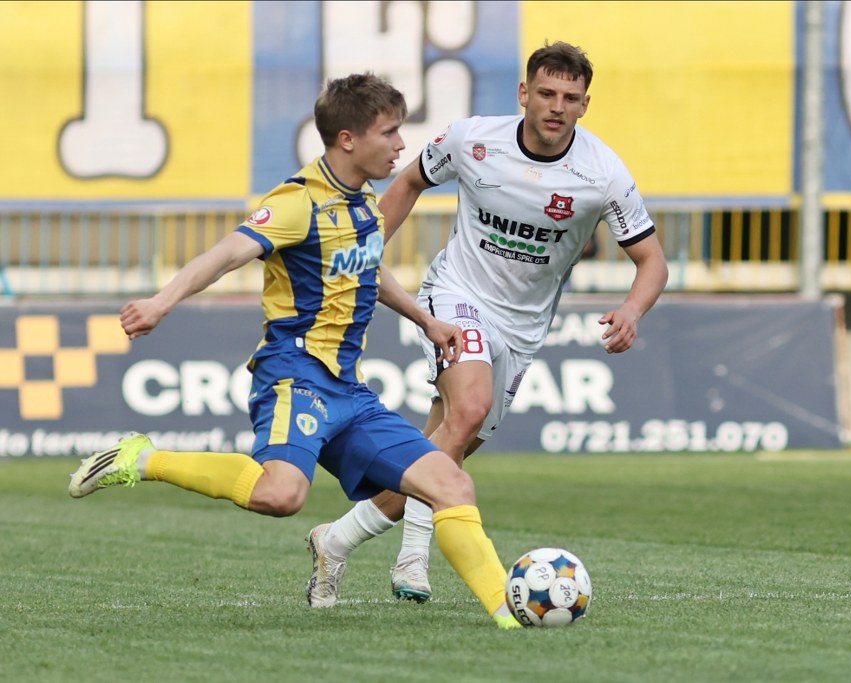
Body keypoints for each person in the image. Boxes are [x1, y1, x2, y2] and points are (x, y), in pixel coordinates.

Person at [66, 73, 521, 630]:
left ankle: (510, 617)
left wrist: (426, 319)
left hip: (349, 391)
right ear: (348, 139)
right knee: (281, 495)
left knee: (451, 482)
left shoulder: (364, 202)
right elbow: (227, 253)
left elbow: (367, 270)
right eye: (389, 132)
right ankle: (142, 459)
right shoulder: (296, 202)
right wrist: (162, 302)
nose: (401, 145)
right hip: (295, 376)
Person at [309, 42, 669, 605]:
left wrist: (631, 310)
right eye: (546, 93)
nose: (557, 106)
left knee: (445, 442)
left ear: (585, 105)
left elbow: (652, 262)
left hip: (522, 330)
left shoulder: (603, 174)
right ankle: (412, 556)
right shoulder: (472, 141)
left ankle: (335, 539)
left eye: (570, 97)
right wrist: (364, 250)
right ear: (524, 93)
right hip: (457, 295)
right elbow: (408, 182)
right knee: (468, 409)